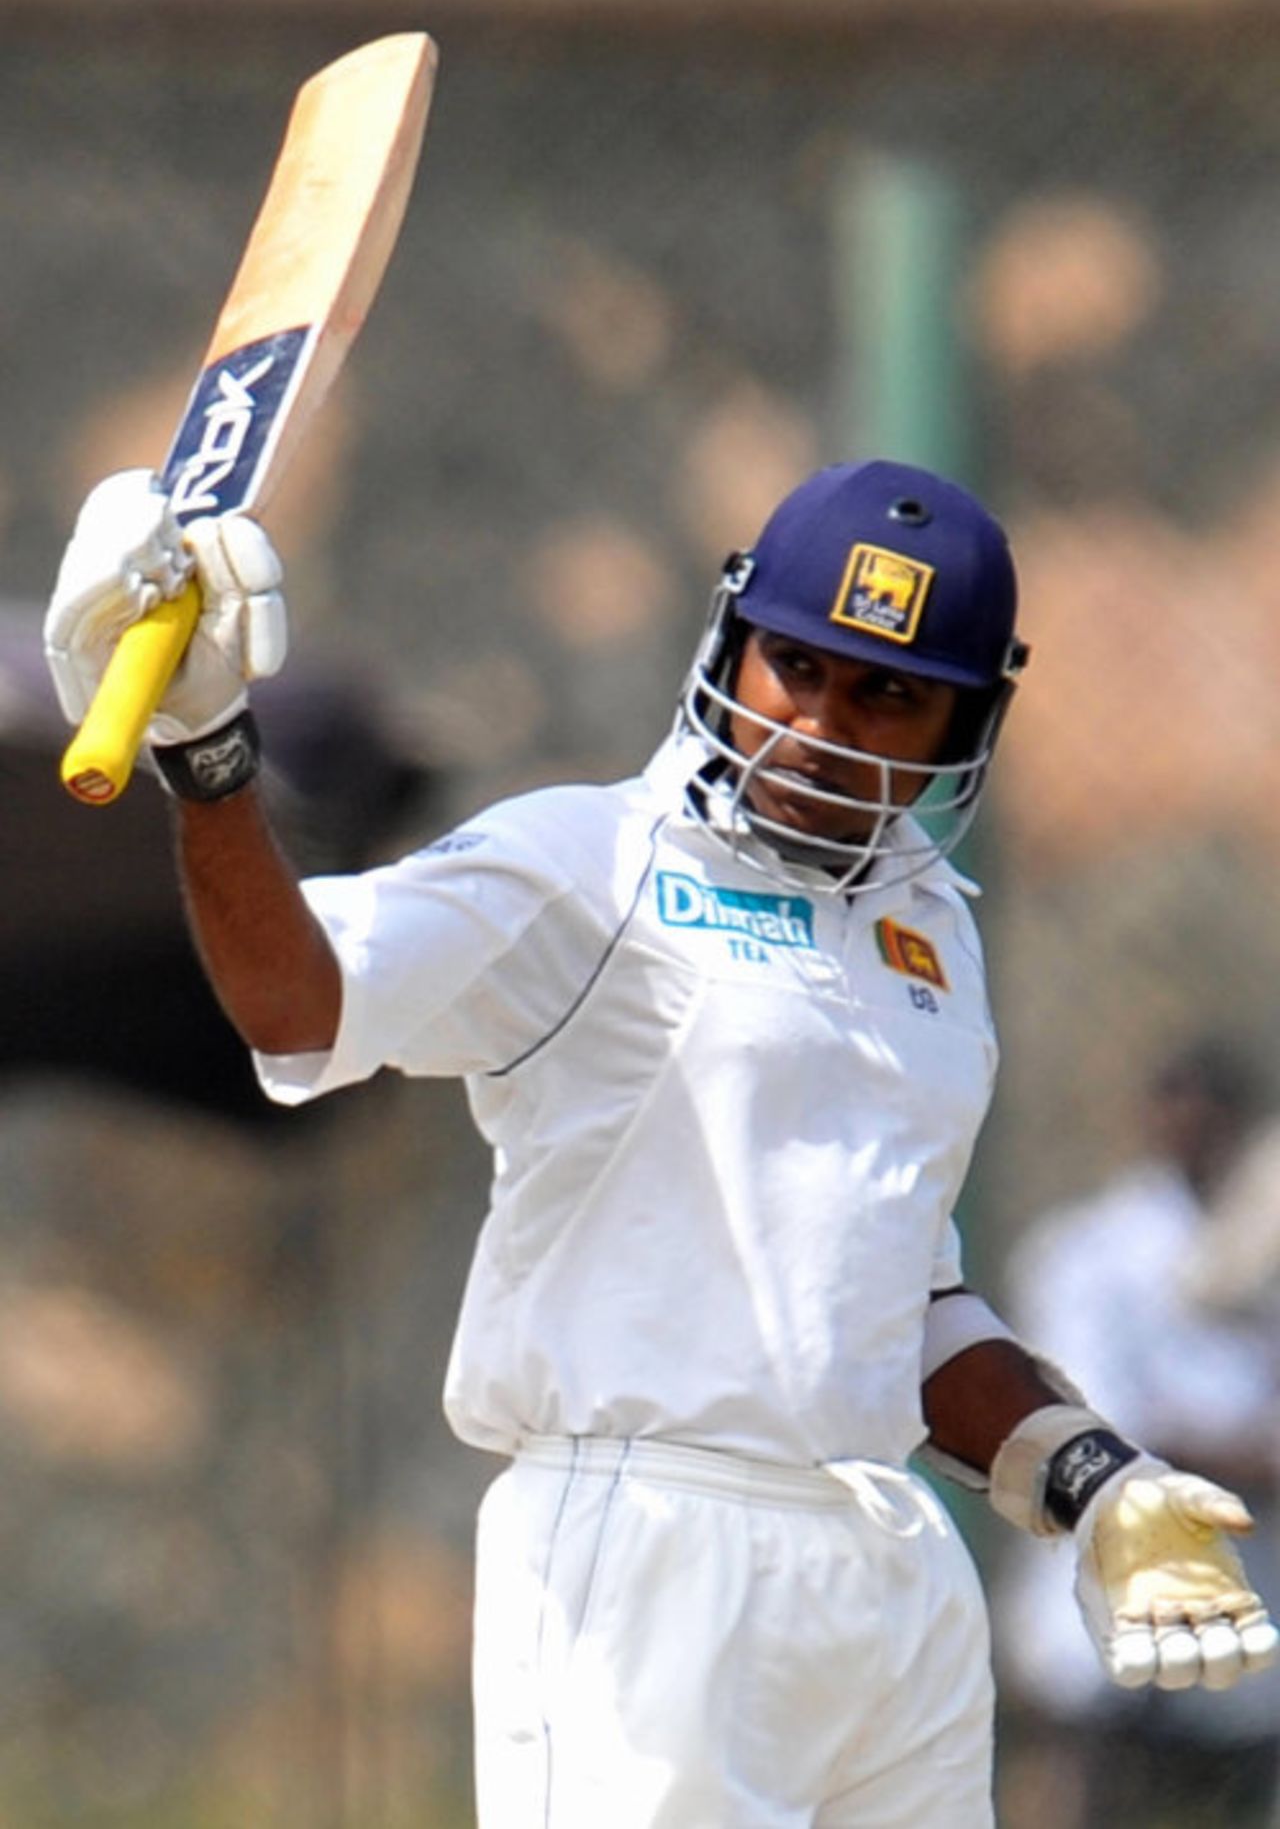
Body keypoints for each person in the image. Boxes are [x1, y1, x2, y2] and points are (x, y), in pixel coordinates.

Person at [43, 458, 1280, 1828]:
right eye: (796, 665)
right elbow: (299, 996)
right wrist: (212, 757)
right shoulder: (587, 861)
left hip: (885, 1571)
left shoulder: (938, 940)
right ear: (735, 641)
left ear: (961, 725)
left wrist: (1096, 1479)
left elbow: (894, 1303)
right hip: (650, 1548)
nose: (819, 723)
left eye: (887, 692)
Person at [995, 1040, 1280, 1829]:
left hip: (1244, 1594)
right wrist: (1242, 1459)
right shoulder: (1091, 1249)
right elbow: (1104, 1429)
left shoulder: (1261, 1249)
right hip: (1116, 1585)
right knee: (1085, 1784)